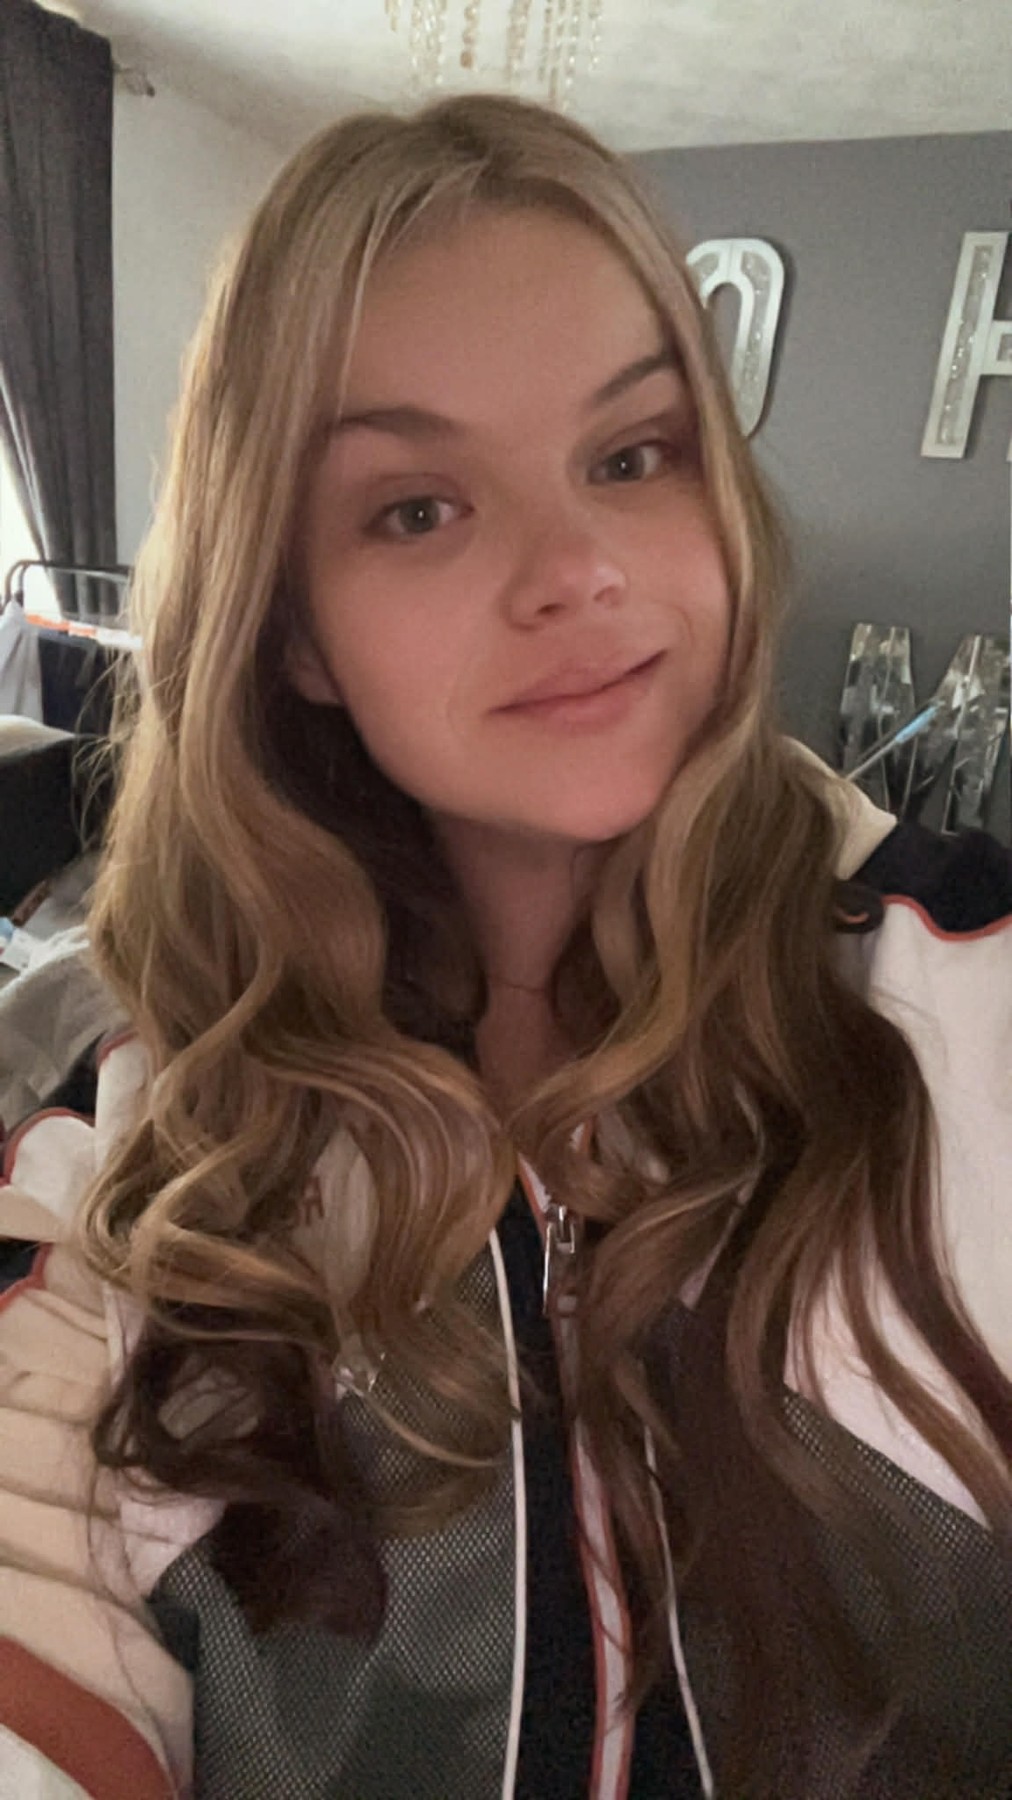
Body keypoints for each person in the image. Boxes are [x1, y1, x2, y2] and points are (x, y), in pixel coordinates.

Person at [0, 92, 1009, 1800]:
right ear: (293, 632)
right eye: (417, 508)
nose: (579, 571)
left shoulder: (970, 998)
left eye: (631, 456)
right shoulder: (131, 1128)